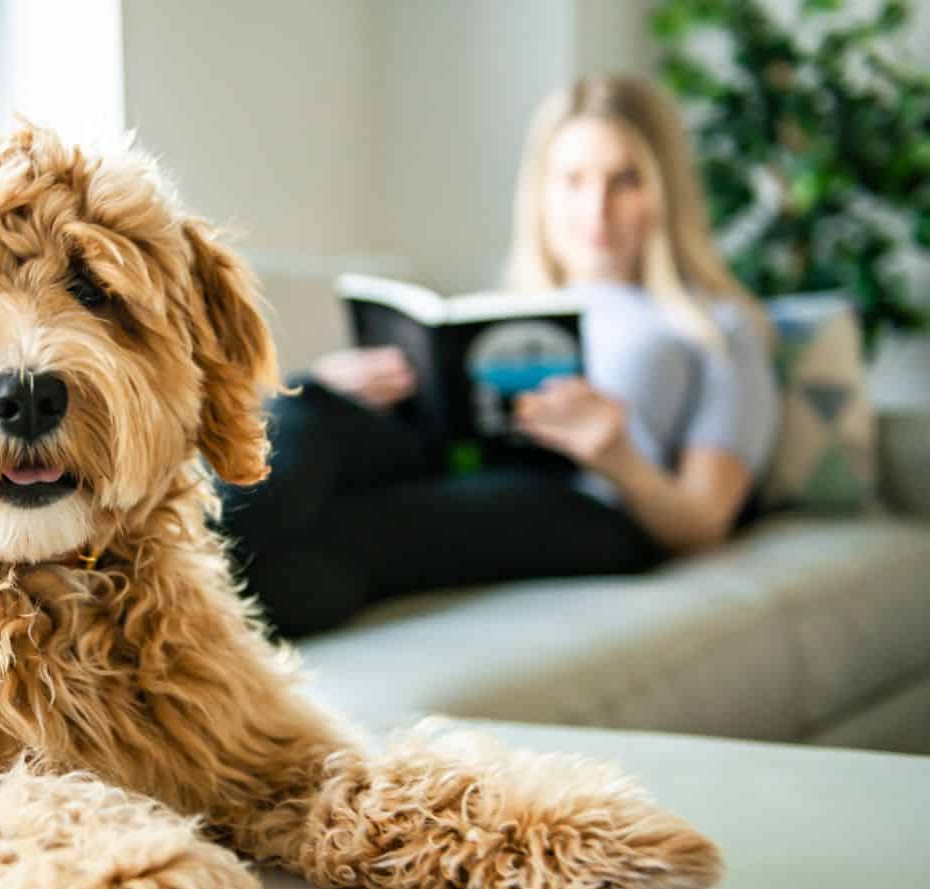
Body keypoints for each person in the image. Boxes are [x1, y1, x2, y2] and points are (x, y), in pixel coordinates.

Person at [221, 74, 780, 639]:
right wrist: (343, 390)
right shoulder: (511, 304)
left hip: (588, 505)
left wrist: (618, 457)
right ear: (541, 191)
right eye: (573, 181)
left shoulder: (717, 327)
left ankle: (163, 600)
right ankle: (156, 565)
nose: (597, 209)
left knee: (353, 533)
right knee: (309, 412)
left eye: (625, 181)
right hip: (458, 463)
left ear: (666, 192)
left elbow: (704, 522)